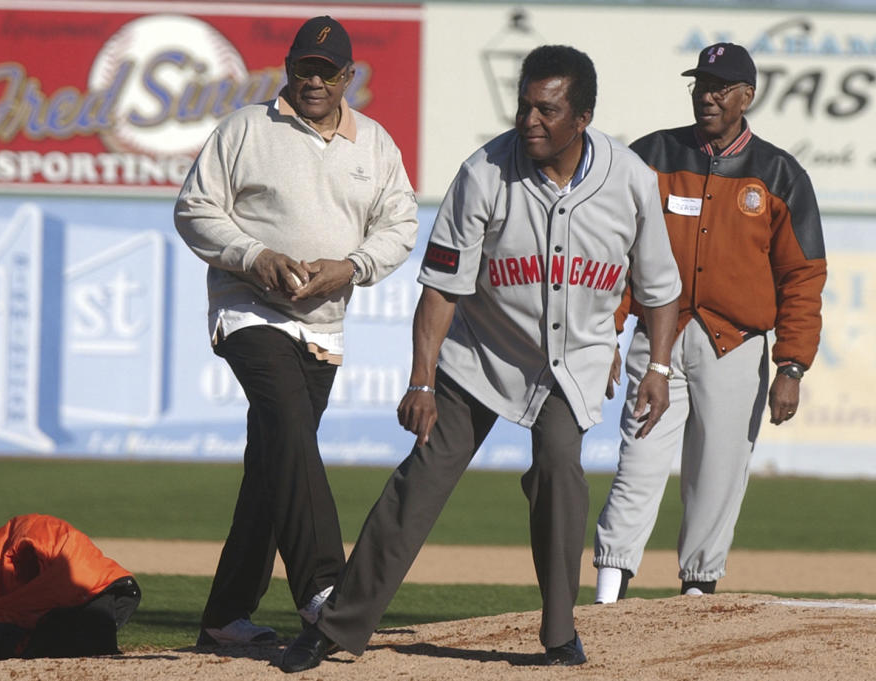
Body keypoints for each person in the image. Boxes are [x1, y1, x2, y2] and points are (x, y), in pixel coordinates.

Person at [277, 44, 681, 673]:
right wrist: (422, 382)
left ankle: (558, 634)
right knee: (421, 481)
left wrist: (656, 368)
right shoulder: (485, 171)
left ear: (584, 117)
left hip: (569, 367)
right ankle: (336, 626)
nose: (530, 121)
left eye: (547, 110)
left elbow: (660, 291)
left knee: (559, 473)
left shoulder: (630, 179)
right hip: (482, 358)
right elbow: (440, 288)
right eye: (524, 106)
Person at [174, 15, 418, 645]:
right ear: (288, 67)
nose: (314, 80)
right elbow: (194, 209)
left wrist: (351, 268)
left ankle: (225, 618)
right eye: (304, 68)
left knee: (273, 465)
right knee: (287, 426)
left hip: (323, 328)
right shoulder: (246, 128)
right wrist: (256, 257)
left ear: (348, 76)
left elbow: (399, 226)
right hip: (250, 314)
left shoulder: (376, 144)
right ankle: (322, 586)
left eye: (327, 71)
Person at [592, 43, 827, 603]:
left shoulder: (779, 173)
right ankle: (607, 589)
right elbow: (615, 254)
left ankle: (697, 594)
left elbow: (803, 277)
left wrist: (791, 364)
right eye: (701, 84)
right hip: (661, 338)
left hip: (737, 345)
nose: (708, 96)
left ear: (748, 97)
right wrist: (608, 333)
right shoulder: (651, 154)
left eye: (721, 87)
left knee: (718, 475)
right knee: (639, 459)